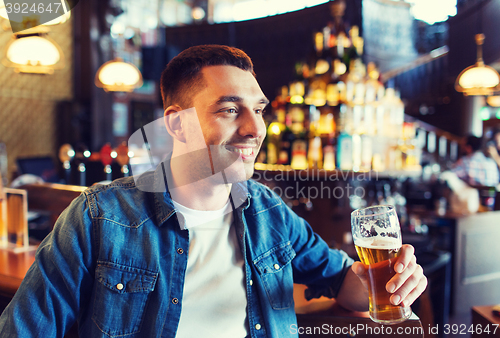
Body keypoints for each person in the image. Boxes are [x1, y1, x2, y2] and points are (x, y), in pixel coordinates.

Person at [0, 45, 427, 337]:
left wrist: (385, 281)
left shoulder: (268, 211)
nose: (254, 128)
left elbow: (344, 283)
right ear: (176, 123)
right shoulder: (99, 216)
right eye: (229, 110)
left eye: (258, 110)